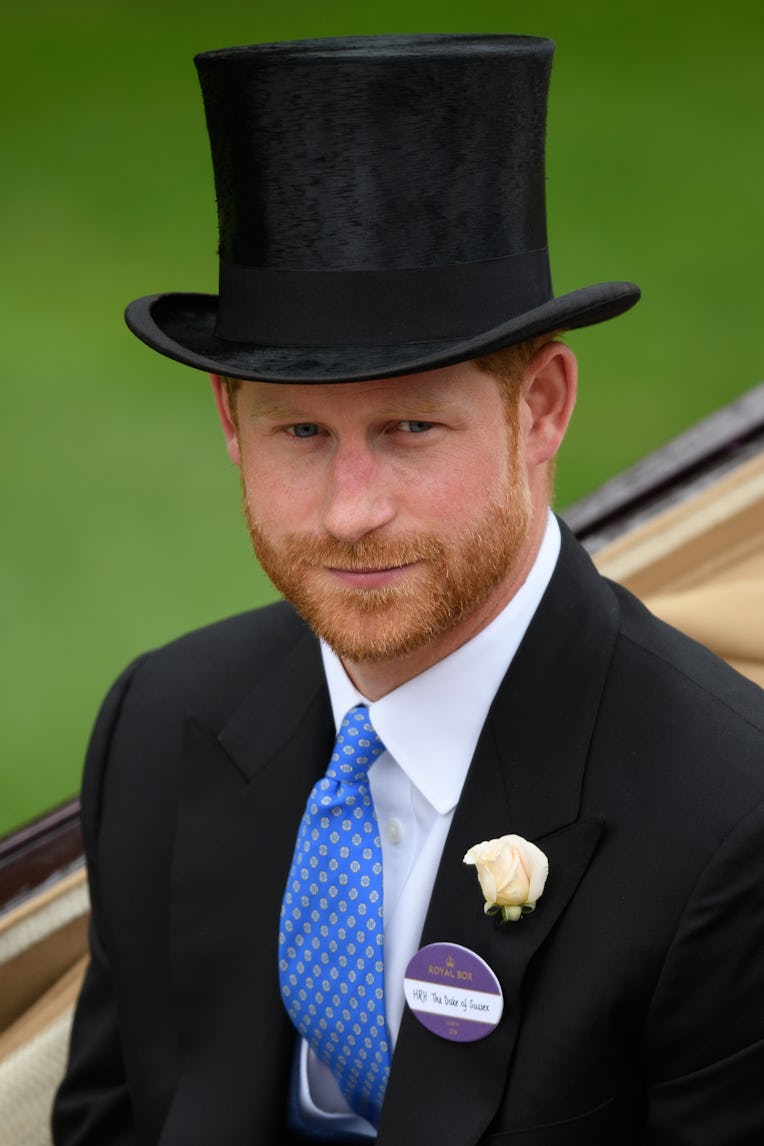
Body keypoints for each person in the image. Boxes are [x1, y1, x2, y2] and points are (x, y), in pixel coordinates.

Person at [53, 34, 764, 1146]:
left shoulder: (731, 818)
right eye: (299, 432)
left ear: (539, 410)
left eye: (409, 428)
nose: (349, 510)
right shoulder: (160, 722)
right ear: (229, 429)